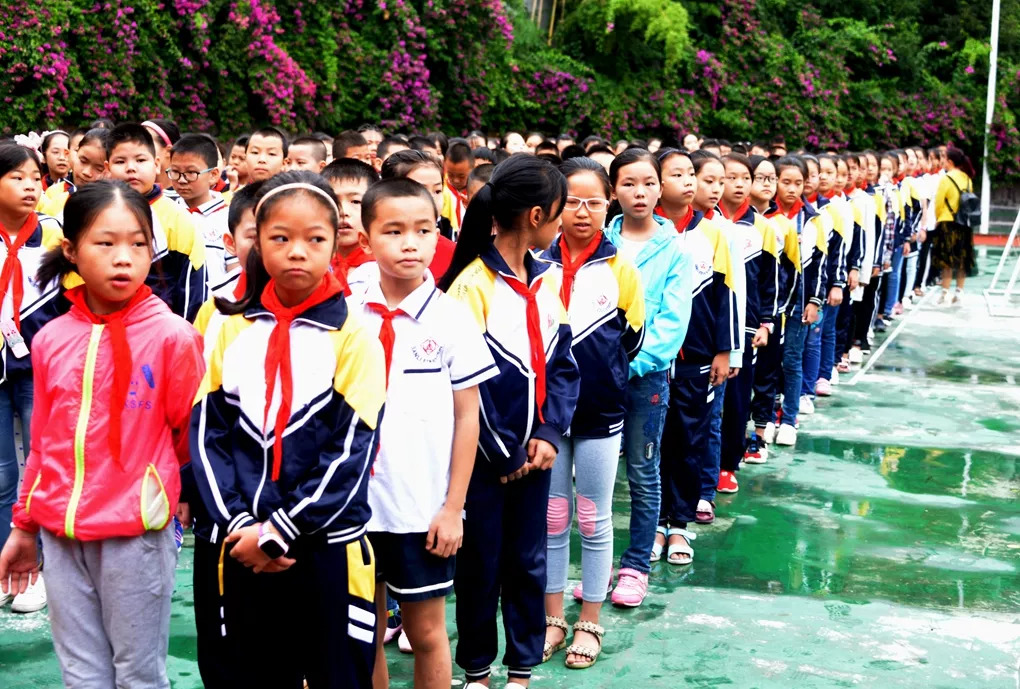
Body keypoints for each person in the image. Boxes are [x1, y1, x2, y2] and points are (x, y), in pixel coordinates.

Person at [0, 179, 204, 687]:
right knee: (81, 672)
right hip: (61, 536)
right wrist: (25, 527)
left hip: (135, 535)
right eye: (105, 243)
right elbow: (43, 441)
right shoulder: (50, 338)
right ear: (70, 250)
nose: (123, 259)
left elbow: (190, 436)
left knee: (137, 674)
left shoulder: (173, 337)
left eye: (138, 244)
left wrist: (170, 494)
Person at [189, 171, 385, 689]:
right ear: (256, 240)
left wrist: (277, 534)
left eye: (314, 239)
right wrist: (240, 526)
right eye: (280, 238)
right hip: (237, 546)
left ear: (338, 240)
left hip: (324, 548)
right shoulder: (227, 324)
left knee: (336, 676)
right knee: (245, 676)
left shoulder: (355, 336)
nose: (297, 251)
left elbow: (350, 455)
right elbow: (207, 436)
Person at [439, 155, 580, 689]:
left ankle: (520, 668)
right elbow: (466, 387)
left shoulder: (547, 280)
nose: (563, 223)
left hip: (535, 454)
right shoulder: (470, 288)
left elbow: (563, 364)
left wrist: (548, 433)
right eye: (561, 212)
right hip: (484, 461)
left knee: (528, 560)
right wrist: (505, 454)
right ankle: (477, 669)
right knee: (480, 564)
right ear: (540, 214)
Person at [352, 178, 497, 689]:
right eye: (393, 231)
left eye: (423, 229)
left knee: (428, 631)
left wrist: (453, 507)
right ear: (365, 240)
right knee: (360, 631)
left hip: (420, 509)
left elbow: (467, 418)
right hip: (351, 507)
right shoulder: (344, 311)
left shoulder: (453, 319)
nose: (410, 242)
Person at [539, 158, 645, 667]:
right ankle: (553, 618)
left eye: (594, 202)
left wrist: (595, 372)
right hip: (547, 416)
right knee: (553, 516)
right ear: (555, 206)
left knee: (593, 515)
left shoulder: (621, 266)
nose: (583, 212)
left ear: (610, 205)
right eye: (573, 202)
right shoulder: (536, 261)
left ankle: (591, 623)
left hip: (601, 411)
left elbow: (633, 337)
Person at [605, 148, 691, 602]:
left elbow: (671, 325)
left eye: (648, 183)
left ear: (660, 188)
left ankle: (636, 565)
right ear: (612, 189)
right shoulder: (599, 240)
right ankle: (600, 569)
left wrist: (629, 365)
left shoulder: (676, 248)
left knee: (642, 469)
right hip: (594, 379)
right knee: (595, 476)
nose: (639, 193)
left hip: (646, 378)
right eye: (628, 184)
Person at [0, 144, 67, 613]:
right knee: (2, 474)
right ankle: (6, 566)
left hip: (39, 368)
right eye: (17, 178)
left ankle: (38, 568)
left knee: (41, 468)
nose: (30, 186)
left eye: (34, 177)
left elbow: (69, 298)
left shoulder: (51, 234)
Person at [665, 150, 739, 527]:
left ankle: (679, 522)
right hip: (654, 359)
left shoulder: (713, 232)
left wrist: (725, 351)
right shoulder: (639, 228)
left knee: (691, 439)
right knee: (653, 445)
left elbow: (727, 294)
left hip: (698, 356)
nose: (690, 181)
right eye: (678, 174)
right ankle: (656, 524)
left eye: (691, 173)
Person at [716, 153, 777, 494]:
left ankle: (727, 464)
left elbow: (770, 281)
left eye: (745, 178)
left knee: (738, 397)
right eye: (731, 177)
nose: (739, 184)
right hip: (709, 327)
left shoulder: (763, 229)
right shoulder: (707, 223)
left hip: (747, 327)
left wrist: (766, 322)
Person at [104, 123, 207, 321]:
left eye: (141, 160)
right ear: (107, 168)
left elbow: (192, 287)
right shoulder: (97, 214)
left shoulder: (177, 218)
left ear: (157, 164)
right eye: (120, 161)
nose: (131, 168)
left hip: (159, 328)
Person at [768, 156, 825, 447]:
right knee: (767, 365)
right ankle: (765, 417)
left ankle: (789, 419)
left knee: (792, 360)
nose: (792, 189)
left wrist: (814, 301)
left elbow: (818, 266)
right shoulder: (765, 216)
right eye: (785, 182)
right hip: (768, 306)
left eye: (798, 183)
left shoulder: (812, 219)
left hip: (796, 304)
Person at [192, 181, 263, 356]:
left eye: (279, 236)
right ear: (230, 243)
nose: (264, 245)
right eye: (254, 236)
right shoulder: (216, 307)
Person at [381, 150, 457, 279]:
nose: (431, 199)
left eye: (437, 191)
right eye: (419, 190)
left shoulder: (454, 254)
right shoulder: (375, 248)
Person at [169, 134, 230, 289]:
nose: (182, 180)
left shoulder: (228, 218)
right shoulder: (167, 214)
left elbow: (233, 273)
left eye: (191, 173)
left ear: (213, 175)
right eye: (175, 171)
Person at [321, 158, 380, 297]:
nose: (343, 212)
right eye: (334, 201)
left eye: (356, 201)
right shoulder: (313, 265)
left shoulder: (387, 267)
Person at [931, 147, 976, 304]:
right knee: (962, 259)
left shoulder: (946, 178)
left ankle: (944, 293)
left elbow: (939, 202)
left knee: (946, 259)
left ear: (950, 162)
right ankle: (959, 291)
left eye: (944, 158)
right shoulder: (967, 179)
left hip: (948, 222)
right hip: (964, 224)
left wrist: (938, 217)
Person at [142, 119, 182, 202]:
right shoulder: (130, 195)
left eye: (146, 142)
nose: (137, 148)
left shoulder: (187, 199)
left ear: (169, 151)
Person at [442, 141, 474, 232]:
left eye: (461, 176)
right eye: (450, 174)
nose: (455, 180)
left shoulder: (478, 191)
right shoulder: (440, 189)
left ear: (473, 168)